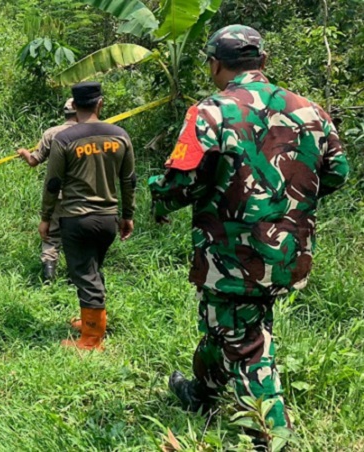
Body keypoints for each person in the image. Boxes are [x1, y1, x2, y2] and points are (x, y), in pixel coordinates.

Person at [148, 25, 349, 443]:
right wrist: (285, 205)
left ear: (215, 64)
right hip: (288, 250)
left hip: (230, 254)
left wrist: (157, 196)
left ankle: (272, 436)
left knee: (246, 342)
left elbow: (180, 183)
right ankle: (200, 393)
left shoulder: (209, 112)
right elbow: (337, 173)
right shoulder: (311, 110)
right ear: (264, 62)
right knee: (227, 325)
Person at [41, 82, 136, 351]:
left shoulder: (65, 139)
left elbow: (53, 183)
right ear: (100, 104)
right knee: (92, 270)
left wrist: (46, 216)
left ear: (74, 106)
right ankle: (91, 322)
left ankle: (92, 340)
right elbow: (129, 180)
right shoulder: (119, 135)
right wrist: (127, 215)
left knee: (84, 273)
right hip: (107, 219)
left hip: (76, 218)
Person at [17, 98, 78, 282]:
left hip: (58, 194)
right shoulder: (89, 133)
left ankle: (48, 278)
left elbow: (33, 161)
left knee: (51, 235)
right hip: (81, 194)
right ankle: (75, 277)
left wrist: (23, 152)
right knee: (77, 233)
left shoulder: (52, 133)